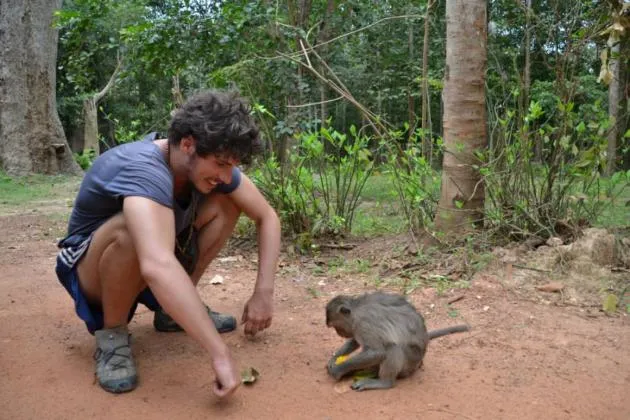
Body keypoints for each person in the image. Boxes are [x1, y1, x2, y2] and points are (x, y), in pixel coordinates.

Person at [55, 89, 281, 398]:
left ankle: (171, 311)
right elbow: (157, 263)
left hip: (152, 260)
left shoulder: (207, 165)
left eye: (231, 165)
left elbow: (267, 217)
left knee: (227, 203)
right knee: (131, 230)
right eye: (220, 164)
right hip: (90, 269)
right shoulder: (142, 166)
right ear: (188, 144)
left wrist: (263, 294)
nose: (227, 175)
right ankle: (113, 336)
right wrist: (219, 353)